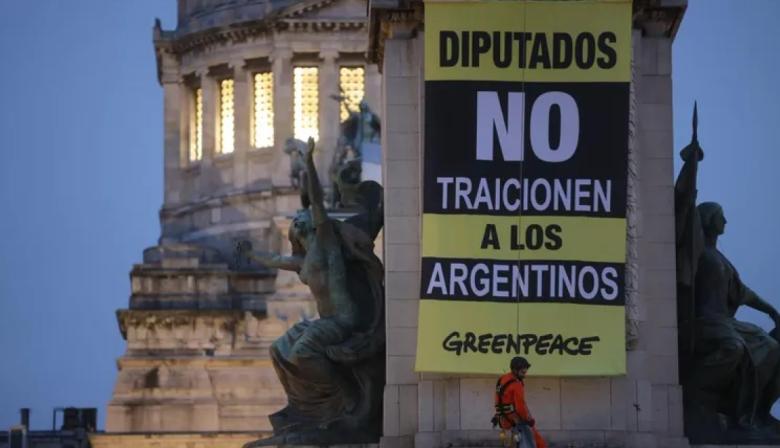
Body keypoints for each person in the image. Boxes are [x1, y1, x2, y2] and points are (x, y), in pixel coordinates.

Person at [493, 357, 547, 448]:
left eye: (525, 371)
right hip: (514, 419)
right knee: (535, 440)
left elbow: (498, 398)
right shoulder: (516, 384)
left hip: (502, 418)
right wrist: (529, 420)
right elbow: (520, 407)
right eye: (523, 372)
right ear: (514, 370)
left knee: (512, 444)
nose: (525, 374)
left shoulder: (502, 379)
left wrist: (498, 414)